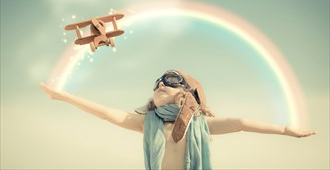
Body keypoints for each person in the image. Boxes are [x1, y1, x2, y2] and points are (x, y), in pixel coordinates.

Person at [40, 69, 316, 170]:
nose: (161, 84)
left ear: (186, 93)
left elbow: (241, 123)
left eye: (170, 82)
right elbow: (105, 113)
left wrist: (285, 129)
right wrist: (65, 97)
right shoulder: (148, 122)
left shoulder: (199, 124)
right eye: (157, 83)